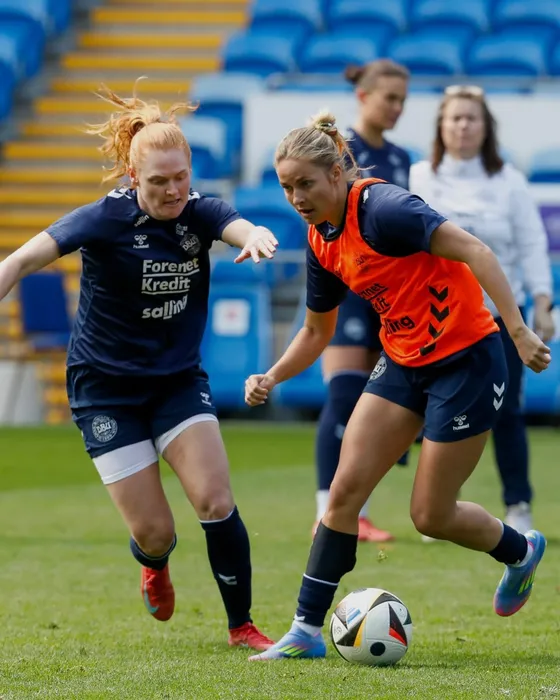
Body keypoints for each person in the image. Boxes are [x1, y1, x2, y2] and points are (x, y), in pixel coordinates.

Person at [244, 110, 549, 661]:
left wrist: (519, 330)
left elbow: (477, 251)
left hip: (468, 362)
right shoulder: (320, 239)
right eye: (286, 187)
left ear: (337, 172)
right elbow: (316, 332)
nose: (296, 197)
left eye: (305, 184)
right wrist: (273, 374)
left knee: (430, 515)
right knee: (342, 495)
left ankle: (520, 551)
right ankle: (305, 632)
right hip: (404, 362)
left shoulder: (386, 209)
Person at [0, 84, 277, 651]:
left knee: (215, 500)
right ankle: (154, 564)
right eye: (158, 181)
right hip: (105, 391)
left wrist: (255, 235)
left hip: (176, 383)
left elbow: (236, 225)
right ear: (133, 177)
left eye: (181, 177)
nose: (173, 190)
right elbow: (24, 258)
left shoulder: (200, 212)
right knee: (155, 532)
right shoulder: (102, 219)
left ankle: (242, 626)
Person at [409, 85, 554, 537]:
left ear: (486, 127)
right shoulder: (419, 177)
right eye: (454, 118)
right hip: (436, 320)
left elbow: (532, 245)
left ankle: (518, 505)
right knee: (434, 411)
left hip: (499, 319)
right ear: (441, 126)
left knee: (506, 411)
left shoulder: (510, 182)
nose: (463, 126)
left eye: (471, 118)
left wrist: (543, 301)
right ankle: (438, 506)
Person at [313, 59, 412, 544]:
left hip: (390, 296)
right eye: (389, 98)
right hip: (349, 285)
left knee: (377, 407)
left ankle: (359, 513)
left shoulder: (401, 158)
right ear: (363, 96)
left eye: (402, 100)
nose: (396, 108)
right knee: (344, 396)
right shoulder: (339, 150)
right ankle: (325, 512)